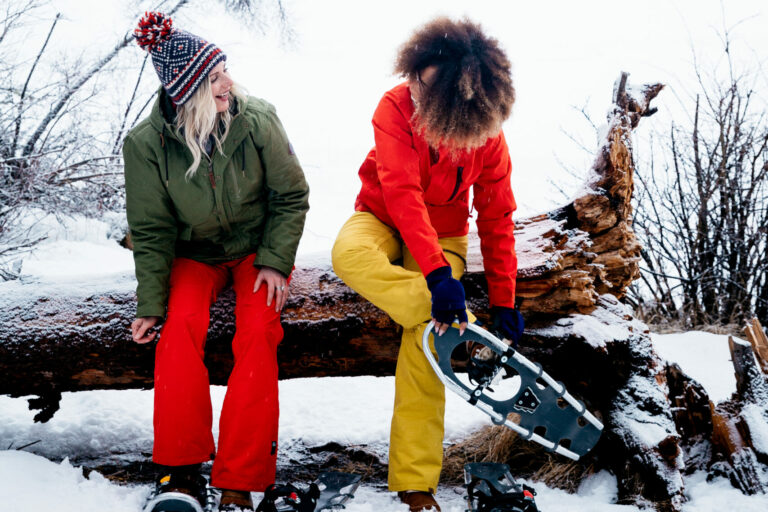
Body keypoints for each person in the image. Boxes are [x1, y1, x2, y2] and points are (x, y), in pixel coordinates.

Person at [331, 17, 523, 512]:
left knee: (423, 342)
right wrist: (437, 282)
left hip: (445, 234)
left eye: (427, 84)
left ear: (459, 96)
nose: (414, 87)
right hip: (379, 216)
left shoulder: (487, 136)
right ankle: (461, 323)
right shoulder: (394, 107)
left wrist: (504, 298)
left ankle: (417, 484)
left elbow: (498, 217)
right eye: (414, 75)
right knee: (347, 255)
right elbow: (401, 191)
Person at [124, 12, 309, 512]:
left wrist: (273, 260)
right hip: (194, 254)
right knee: (179, 326)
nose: (228, 82)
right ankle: (179, 473)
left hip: (255, 248)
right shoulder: (145, 145)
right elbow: (151, 229)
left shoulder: (257, 118)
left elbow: (291, 196)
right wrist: (150, 303)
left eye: (224, 69)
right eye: (214, 77)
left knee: (257, 333)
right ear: (187, 92)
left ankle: (238, 481)